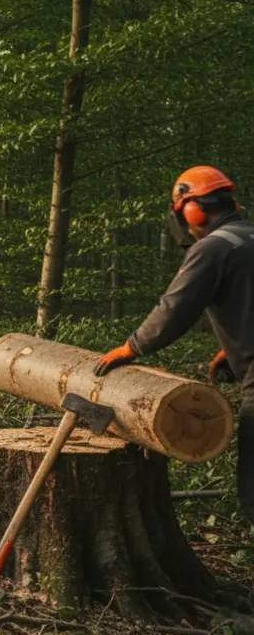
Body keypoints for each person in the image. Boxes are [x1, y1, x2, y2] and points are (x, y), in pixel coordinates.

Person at [95, 165, 254, 521]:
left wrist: (132, 347)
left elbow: (175, 309)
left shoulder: (213, 248)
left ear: (192, 210)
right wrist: (233, 348)